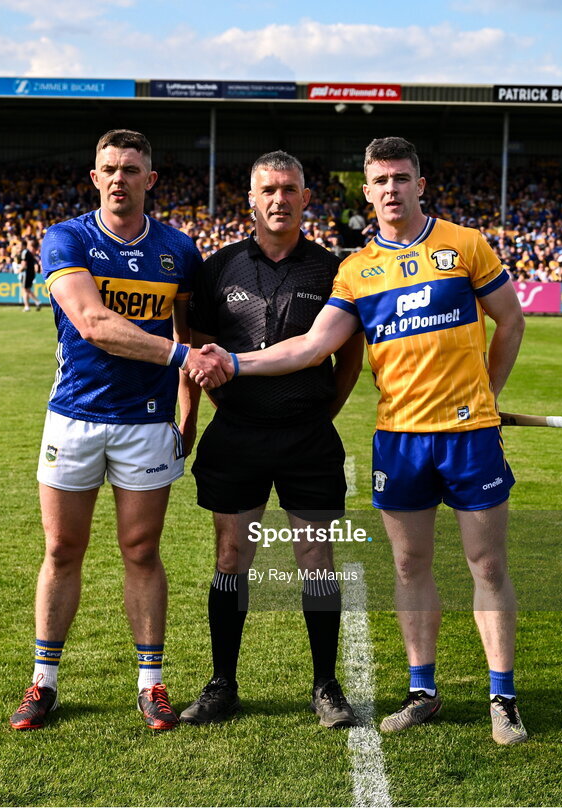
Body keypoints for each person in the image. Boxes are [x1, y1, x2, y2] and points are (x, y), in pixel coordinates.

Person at [192, 137, 529, 744]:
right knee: (406, 565)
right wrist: (233, 369)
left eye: (402, 177)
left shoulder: (462, 245)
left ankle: (501, 698)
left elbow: (512, 319)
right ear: (367, 191)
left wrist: (489, 394)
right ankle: (421, 691)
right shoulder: (354, 270)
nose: (392, 189)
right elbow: (312, 347)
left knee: (487, 564)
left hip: (460, 435)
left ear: (418, 184)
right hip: (394, 438)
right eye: (381, 180)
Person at [8, 129, 229, 732]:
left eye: (131, 169)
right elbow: (93, 323)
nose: (119, 178)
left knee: (142, 551)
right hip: (75, 418)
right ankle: (43, 681)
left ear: (149, 180)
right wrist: (183, 362)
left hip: (147, 427)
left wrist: (187, 414)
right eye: (109, 168)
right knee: (61, 549)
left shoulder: (178, 250)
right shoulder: (68, 238)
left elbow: (189, 338)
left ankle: (151, 683)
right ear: (94, 175)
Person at [180, 151, 365, 729]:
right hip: (237, 436)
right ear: (251, 200)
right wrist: (223, 409)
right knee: (232, 556)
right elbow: (202, 354)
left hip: (308, 436)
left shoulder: (333, 270)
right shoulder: (218, 269)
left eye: (290, 189)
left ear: (307, 198)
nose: (279, 199)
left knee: (315, 557)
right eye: (269, 190)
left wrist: (317, 411)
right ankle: (222, 683)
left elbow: (348, 356)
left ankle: (326, 686)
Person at [16, 239, 43, 311]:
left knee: (26, 289)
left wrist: (18, 271)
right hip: (30, 273)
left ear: (24, 245)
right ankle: (27, 306)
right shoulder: (28, 252)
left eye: (20, 245)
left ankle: (37, 301)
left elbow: (24, 265)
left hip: (26, 273)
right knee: (26, 290)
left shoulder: (24, 252)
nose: (19, 247)